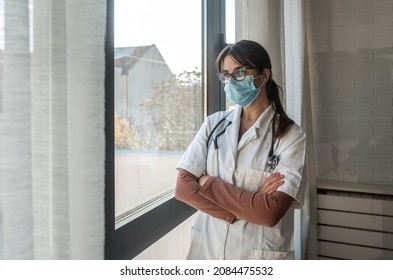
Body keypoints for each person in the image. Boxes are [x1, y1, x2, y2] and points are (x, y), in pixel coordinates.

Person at [175, 40, 306, 260]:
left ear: (263, 76)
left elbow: (269, 214)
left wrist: (207, 182)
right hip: (208, 249)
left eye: (239, 72)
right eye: (226, 75)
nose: (230, 81)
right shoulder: (213, 124)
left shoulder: (290, 135)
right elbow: (183, 188)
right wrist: (248, 205)